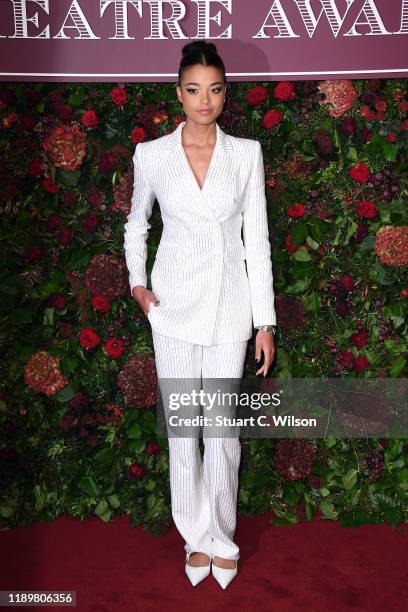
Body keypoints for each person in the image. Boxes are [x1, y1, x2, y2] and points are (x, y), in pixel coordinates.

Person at [123, 40, 277, 590]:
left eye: (214, 90)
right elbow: (136, 223)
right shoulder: (153, 155)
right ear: (178, 93)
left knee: (224, 432)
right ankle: (195, 536)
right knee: (184, 432)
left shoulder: (246, 153)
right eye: (193, 89)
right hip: (170, 309)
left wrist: (265, 321)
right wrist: (137, 284)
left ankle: (223, 536)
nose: (203, 100)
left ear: (225, 93)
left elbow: (255, 240)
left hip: (231, 308)